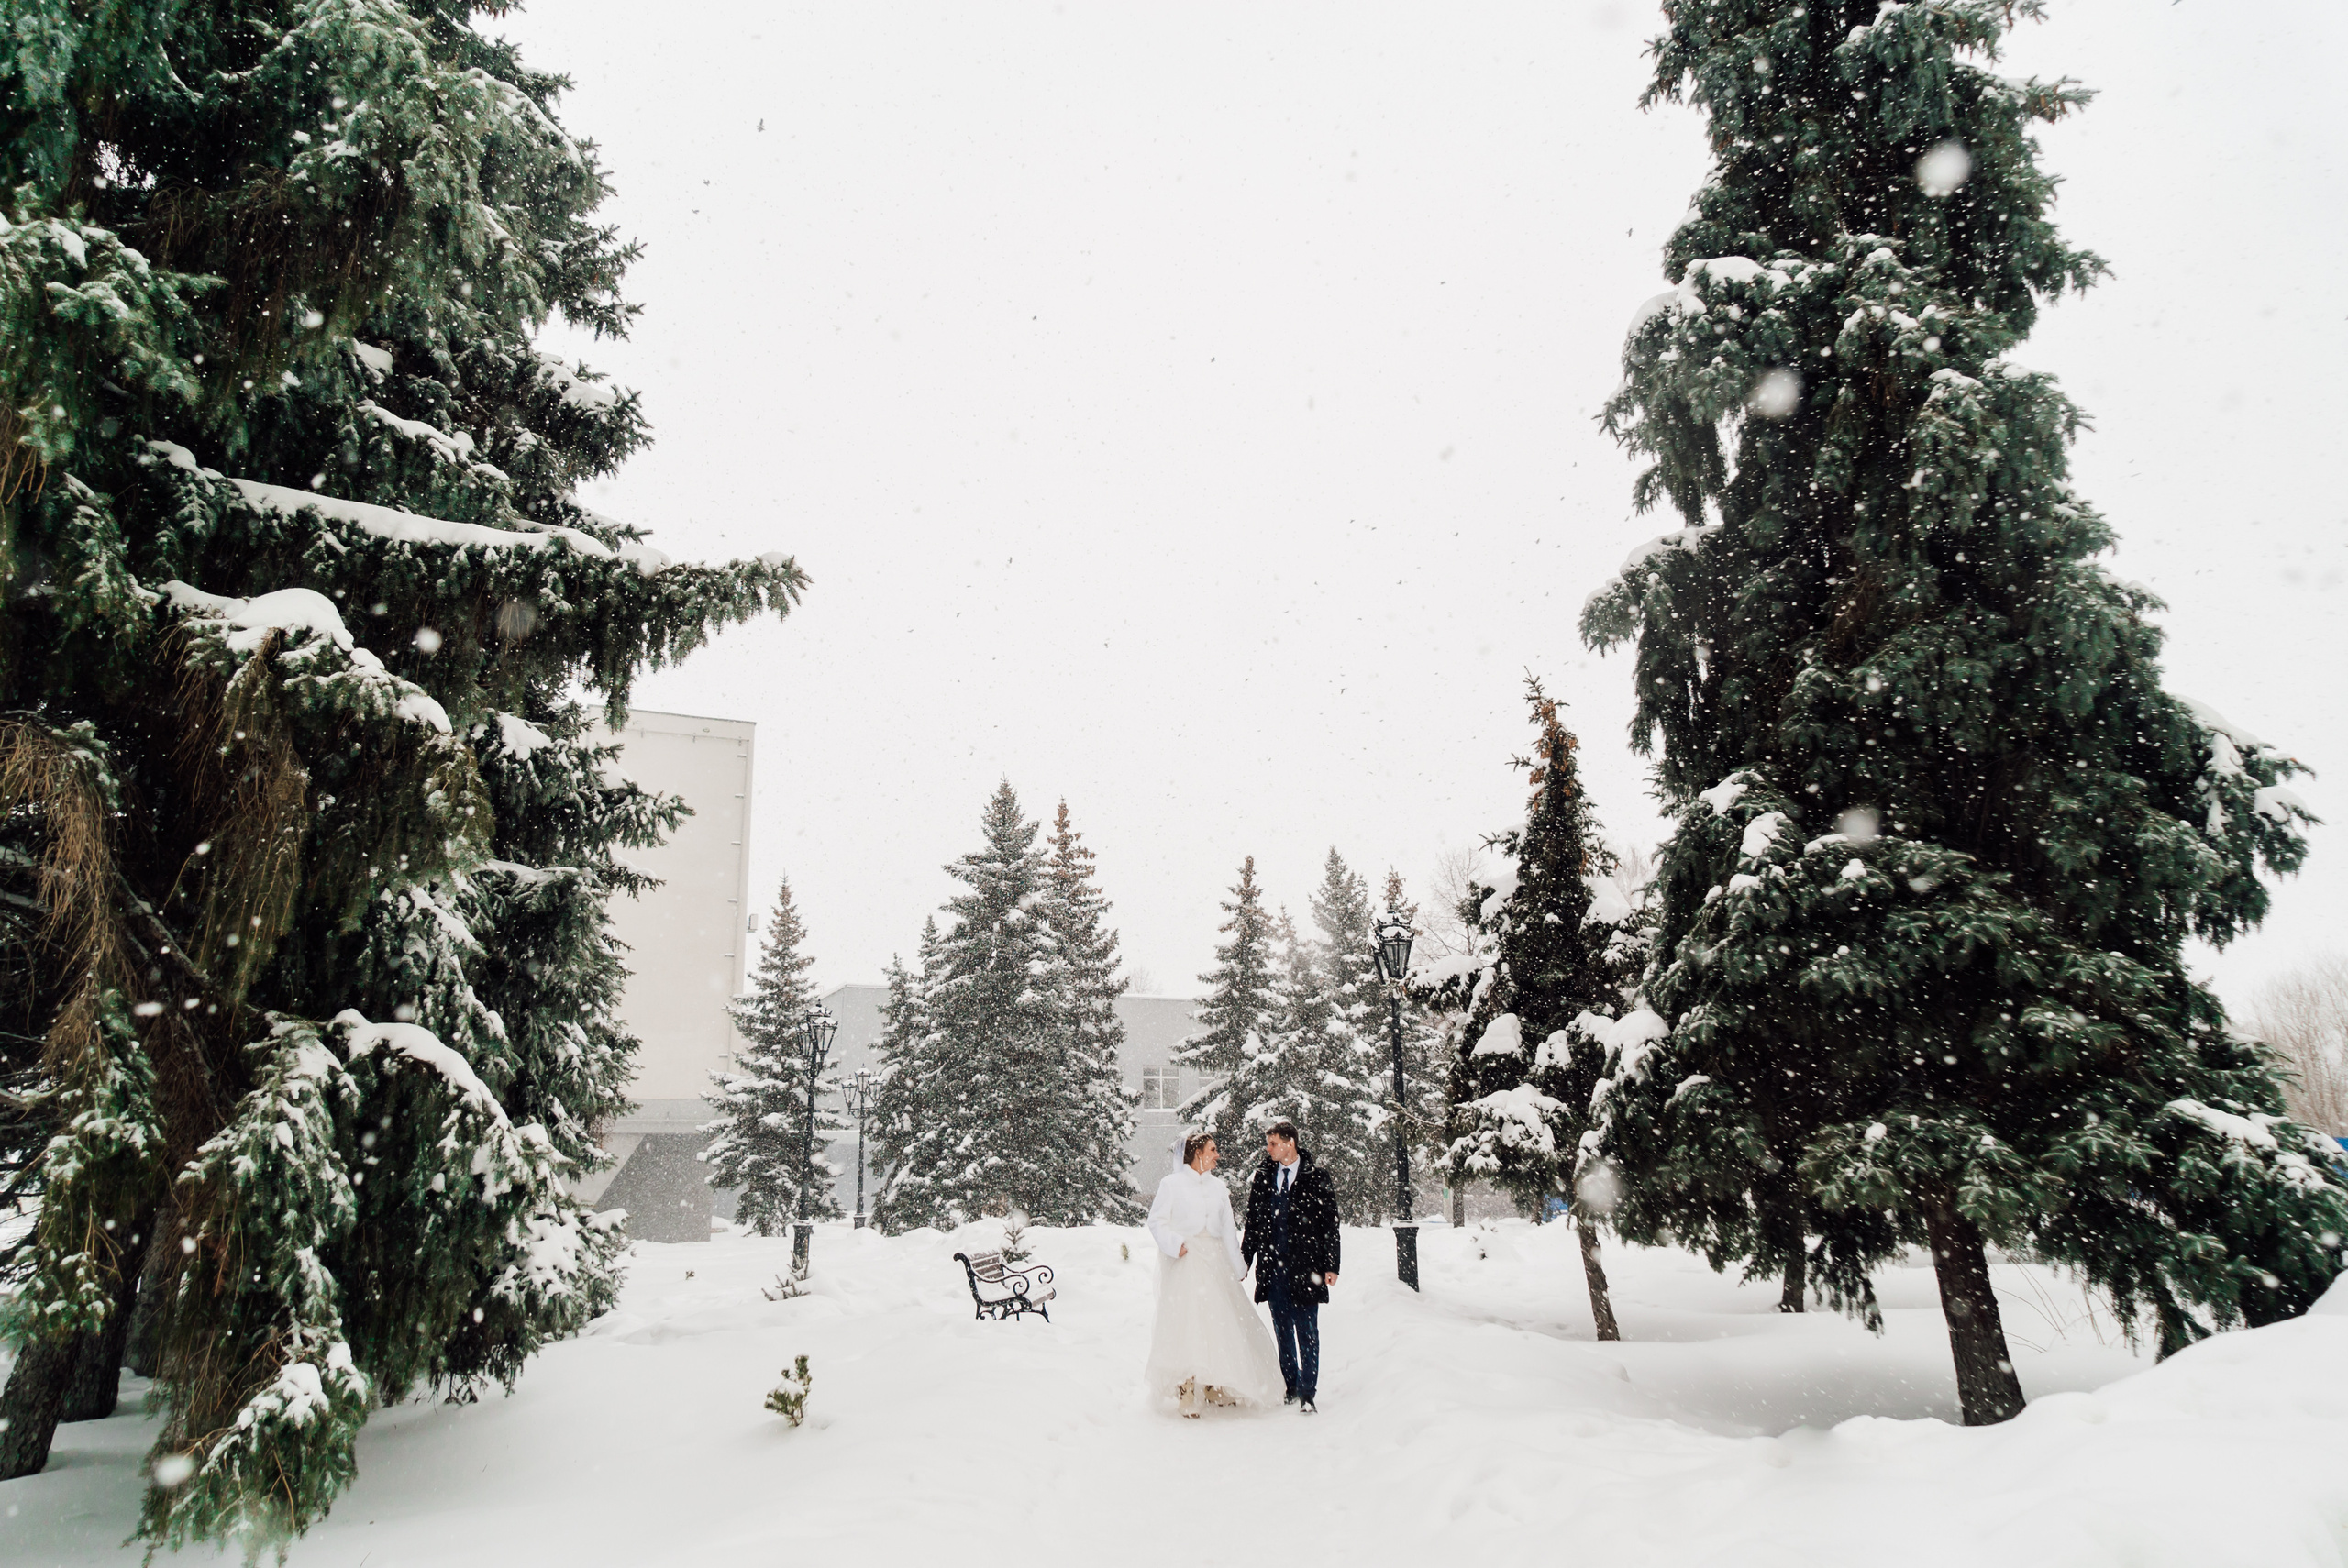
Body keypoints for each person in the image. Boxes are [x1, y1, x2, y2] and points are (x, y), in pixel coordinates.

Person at [1144, 1132, 1285, 1418]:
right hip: (1186, 1262)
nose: (1217, 1155)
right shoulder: (1171, 1185)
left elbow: (1228, 1230)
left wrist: (1238, 1265)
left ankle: (1212, 1384)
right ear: (1197, 1153)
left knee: (1217, 1322)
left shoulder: (1219, 1188)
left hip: (1214, 1261)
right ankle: (1186, 1388)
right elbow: (1156, 1220)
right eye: (1213, 1150)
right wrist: (1175, 1244)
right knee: (1188, 1322)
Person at [1240, 1121, 1340, 1413]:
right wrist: (1245, 1261)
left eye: (1273, 1143)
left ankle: (1308, 1392)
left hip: (1307, 1266)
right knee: (1282, 1330)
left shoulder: (1316, 1177)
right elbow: (1253, 1224)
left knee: (1307, 1330)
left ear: (1290, 1143)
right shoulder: (1263, 1177)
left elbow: (1329, 1225)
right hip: (1273, 1268)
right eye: (1268, 1143)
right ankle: (1291, 1386)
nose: (1268, 1149)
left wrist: (1331, 1265)